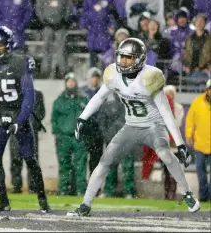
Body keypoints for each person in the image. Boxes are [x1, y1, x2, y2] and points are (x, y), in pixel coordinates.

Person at [67, 38, 200, 217]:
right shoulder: (113, 74)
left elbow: (166, 112)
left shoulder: (150, 77)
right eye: (122, 57)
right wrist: (83, 117)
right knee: (105, 162)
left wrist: (180, 143)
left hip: (153, 126)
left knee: (165, 155)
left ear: (139, 59)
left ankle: (187, 194)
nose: (124, 61)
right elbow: (99, 97)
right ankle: (85, 204)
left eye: (129, 58)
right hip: (131, 126)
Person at [0, 26, 51, 212]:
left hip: (18, 113)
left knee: (30, 159)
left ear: (9, 45)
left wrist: (20, 121)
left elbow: (29, 97)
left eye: (0, 45)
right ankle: (3, 200)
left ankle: (42, 198)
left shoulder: (21, 63)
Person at [52, 72, 93, 196]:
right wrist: (57, 134)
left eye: (72, 81)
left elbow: (89, 118)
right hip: (64, 137)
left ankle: (81, 190)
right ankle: (64, 189)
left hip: (79, 137)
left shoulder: (83, 99)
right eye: (68, 81)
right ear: (65, 83)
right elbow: (54, 118)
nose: (70, 83)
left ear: (76, 83)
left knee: (81, 165)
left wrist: (85, 133)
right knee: (64, 164)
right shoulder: (59, 100)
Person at [35, 0, 74, 79]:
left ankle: (62, 71)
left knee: (61, 49)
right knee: (46, 48)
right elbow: (39, 7)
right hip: (48, 25)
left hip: (60, 26)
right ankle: (45, 71)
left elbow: (69, 9)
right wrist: (43, 20)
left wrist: (64, 20)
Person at [10, 89, 46, 194]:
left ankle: (33, 187)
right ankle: (16, 186)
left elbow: (41, 113)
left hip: (30, 131)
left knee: (31, 160)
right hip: (16, 131)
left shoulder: (37, 94)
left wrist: (31, 123)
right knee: (15, 160)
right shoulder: (13, 93)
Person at [185, 79, 211, 202]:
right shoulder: (198, 102)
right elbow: (190, 120)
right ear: (207, 90)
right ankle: (204, 196)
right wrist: (189, 135)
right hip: (200, 144)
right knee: (201, 174)